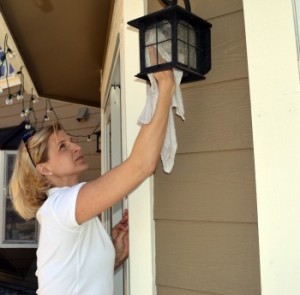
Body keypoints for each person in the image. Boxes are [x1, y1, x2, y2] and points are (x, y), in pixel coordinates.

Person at [9, 65, 175, 294]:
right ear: (44, 169)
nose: (76, 147)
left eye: (71, 140)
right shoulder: (61, 206)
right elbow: (141, 165)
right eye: (63, 147)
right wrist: (166, 86)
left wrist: (113, 253)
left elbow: (76, 278)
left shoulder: (66, 210)